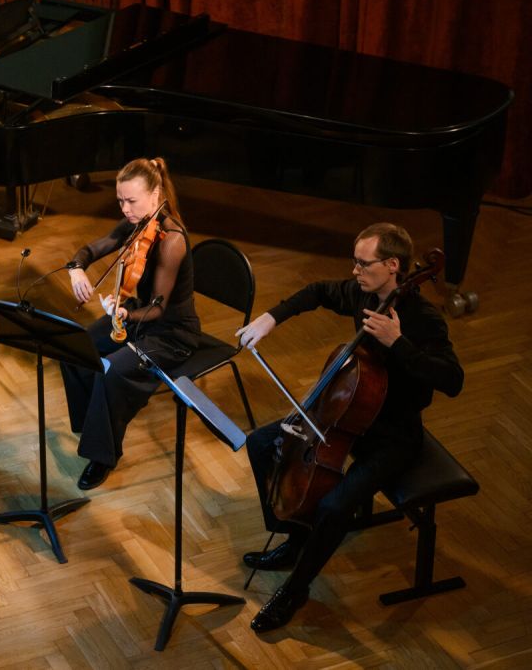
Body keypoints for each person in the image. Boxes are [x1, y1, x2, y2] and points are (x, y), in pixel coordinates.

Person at [235, 222, 464, 632]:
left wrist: (398, 343)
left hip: (393, 436)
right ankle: (294, 539)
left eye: (363, 263)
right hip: (345, 415)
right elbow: (317, 292)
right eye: (354, 262)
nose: (355, 271)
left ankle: (295, 591)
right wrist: (271, 318)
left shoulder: (423, 319)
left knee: (334, 506)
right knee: (260, 443)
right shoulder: (363, 295)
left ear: (393, 265)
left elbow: (453, 380)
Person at [60, 157, 200, 490]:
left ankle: (103, 456)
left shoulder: (173, 240)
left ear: (155, 195)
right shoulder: (138, 222)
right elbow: (95, 247)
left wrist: (124, 314)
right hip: (140, 315)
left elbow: (159, 309)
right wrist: (76, 268)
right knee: (75, 348)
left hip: (171, 333)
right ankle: (94, 426)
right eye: (120, 200)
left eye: (131, 201)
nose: (125, 209)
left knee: (112, 371)